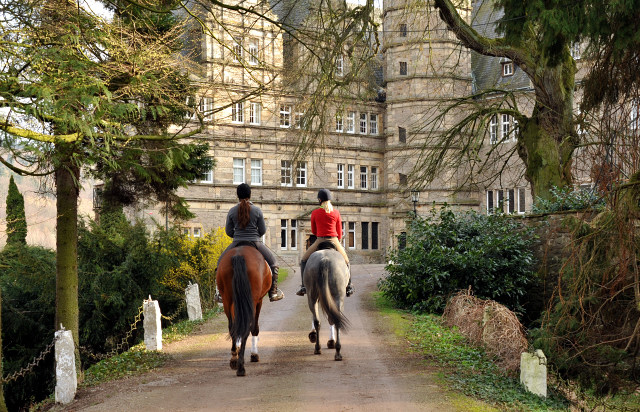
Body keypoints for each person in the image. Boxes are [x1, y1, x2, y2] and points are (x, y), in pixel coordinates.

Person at [214, 183, 284, 302]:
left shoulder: (232, 211)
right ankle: (273, 292)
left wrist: (237, 236)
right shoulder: (257, 210)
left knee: (219, 264)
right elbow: (262, 230)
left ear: (237, 196)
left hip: (236, 242)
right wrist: (254, 236)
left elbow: (228, 231)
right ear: (250, 195)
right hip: (255, 242)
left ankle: (220, 294)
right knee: (274, 264)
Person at [296, 188, 354, 297]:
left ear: (319, 200)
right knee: (346, 261)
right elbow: (339, 231)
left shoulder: (315, 212)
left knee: (303, 260)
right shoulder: (336, 213)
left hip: (320, 240)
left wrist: (320, 234)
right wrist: (338, 240)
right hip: (334, 240)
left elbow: (313, 230)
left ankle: (304, 286)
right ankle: (349, 287)